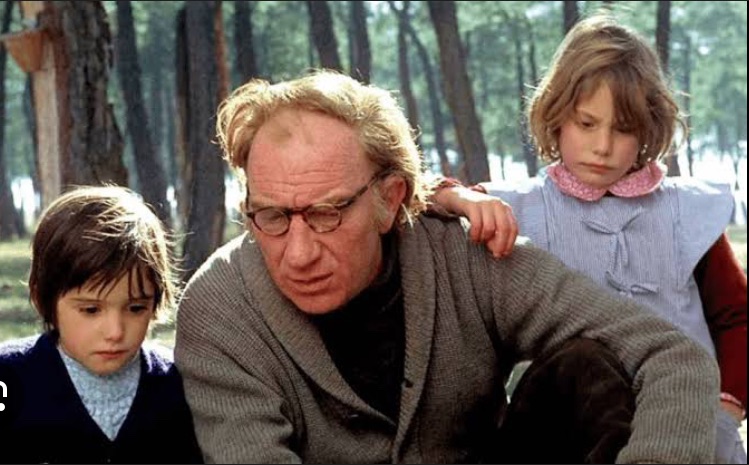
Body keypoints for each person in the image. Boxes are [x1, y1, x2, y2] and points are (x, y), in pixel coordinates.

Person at [173, 69, 721, 464]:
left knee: (587, 368)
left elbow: (669, 353)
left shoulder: (465, 254)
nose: (298, 253)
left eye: (326, 214)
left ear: (390, 198)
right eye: (270, 216)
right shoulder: (220, 309)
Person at [433, 14, 747, 464]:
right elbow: (418, 196)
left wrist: (726, 406)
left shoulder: (686, 211)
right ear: (557, 114)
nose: (602, 146)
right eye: (586, 123)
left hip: (690, 429)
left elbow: (736, 316)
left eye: (623, 129)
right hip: (570, 435)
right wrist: (458, 197)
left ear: (648, 128)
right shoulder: (519, 207)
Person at [0, 185, 203, 464]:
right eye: (91, 310)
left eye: (136, 308)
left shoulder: (179, 385)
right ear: (42, 298)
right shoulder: (8, 379)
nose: (115, 332)